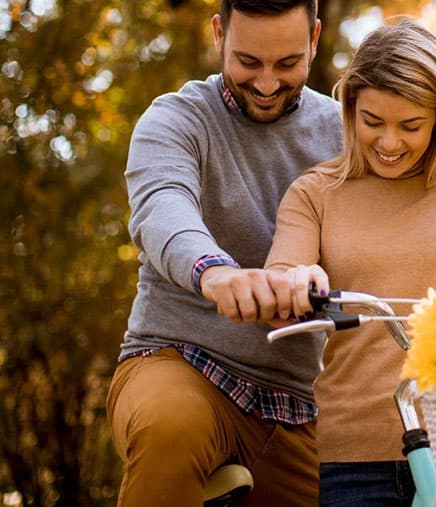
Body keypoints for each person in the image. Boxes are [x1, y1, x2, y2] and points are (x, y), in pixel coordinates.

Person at [264, 18, 436, 506]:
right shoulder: (316, 193)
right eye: (373, 122)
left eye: (410, 125)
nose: (389, 144)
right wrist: (298, 280)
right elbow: (283, 272)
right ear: (349, 109)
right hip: (352, 460)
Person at [105, 1, 342, 505]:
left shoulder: (346, 134)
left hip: (295, 403)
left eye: (287, 64)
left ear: (315, 39)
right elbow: (162, 207)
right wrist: (216, 275)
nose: (266, 83)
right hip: (178, 362)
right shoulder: (176, 118)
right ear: (219, 33)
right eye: (249, 62)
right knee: (170, 429)